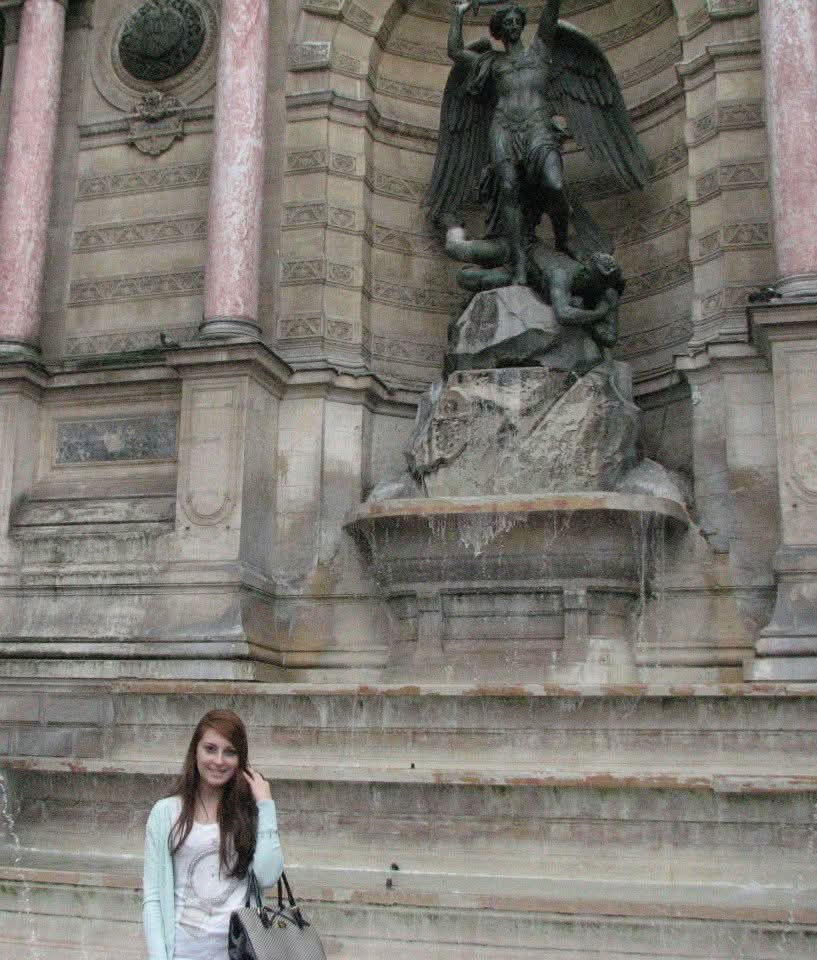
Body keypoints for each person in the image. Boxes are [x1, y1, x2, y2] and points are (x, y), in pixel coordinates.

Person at [142, 710, 284, 960]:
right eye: (210, 749)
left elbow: (268, 877)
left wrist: (266, 805)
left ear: (240, 759)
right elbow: (153, 897)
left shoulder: (250, 811)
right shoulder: (165, 813)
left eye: (229, 752)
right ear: (195, 751)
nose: (219, 761)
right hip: (181, 952)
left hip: (239, 952)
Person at [447, 0, 569, 285]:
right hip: (503, 127)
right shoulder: (491, 63)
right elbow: (454, 51)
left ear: (523, 25)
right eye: (507, 23)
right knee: (508, 189)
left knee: (555, 184)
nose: (513, 26)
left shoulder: (540, 50)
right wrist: (458, 13)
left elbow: (552, 12)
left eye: (517, 21)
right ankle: (520, 265)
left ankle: (563, 241)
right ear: (499, 31)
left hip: (537, 126)